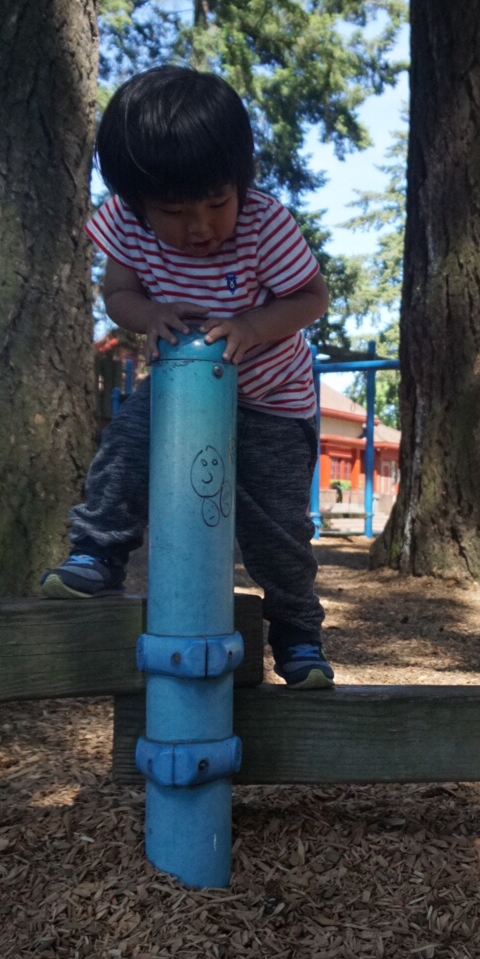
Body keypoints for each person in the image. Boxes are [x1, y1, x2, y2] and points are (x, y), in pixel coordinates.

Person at [38, 66, 334, 689]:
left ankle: (298, 634)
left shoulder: (264, 223)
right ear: (136, 203)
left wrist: (251, 326)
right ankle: (98, 550)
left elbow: (311, 297)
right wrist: (149, 315)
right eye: (173, 212)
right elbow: (118, 293)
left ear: (241, 183)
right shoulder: (124, 224)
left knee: (277, 528)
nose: (200, 228)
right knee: (124, 451)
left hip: (270, 400)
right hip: (179, 388)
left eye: (217, 204)